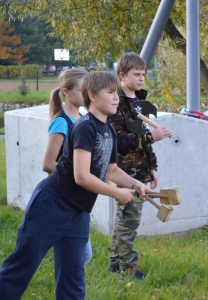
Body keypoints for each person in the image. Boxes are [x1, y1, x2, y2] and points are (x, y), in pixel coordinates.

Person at [0, 71, 153, 300]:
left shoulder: (109, 131)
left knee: (73, 279)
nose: (116, 98)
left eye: (116, 93)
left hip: (78, 212)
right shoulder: (84, 127)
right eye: (110, 93)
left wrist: (136, 184)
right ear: (92, 95)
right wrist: (117, 193)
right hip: (51, 205)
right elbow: (81, 176)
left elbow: (110, 170)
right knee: (20, 268)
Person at [107, 52, 172, 280]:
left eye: (143, 74)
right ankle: (129, 268)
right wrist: (153, 137)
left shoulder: (139, 103)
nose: (141, 79)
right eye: (136, 74)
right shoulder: (116, 103)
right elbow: (120, 142)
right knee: (128, 223)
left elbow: (144, 138)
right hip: (125, 172)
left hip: (141, 171)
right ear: (122, 75)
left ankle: (115, 264)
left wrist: (152, 167)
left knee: (122, 220)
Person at [41, 68, 93, 267]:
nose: (87, 94)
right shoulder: (61, 123)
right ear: (66, 92)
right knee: (79, 256)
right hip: (61, 197)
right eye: (82, 90)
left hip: (77, 197)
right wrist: (80, 177)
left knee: (82, 256)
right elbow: (47, 164)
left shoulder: (82, 119)